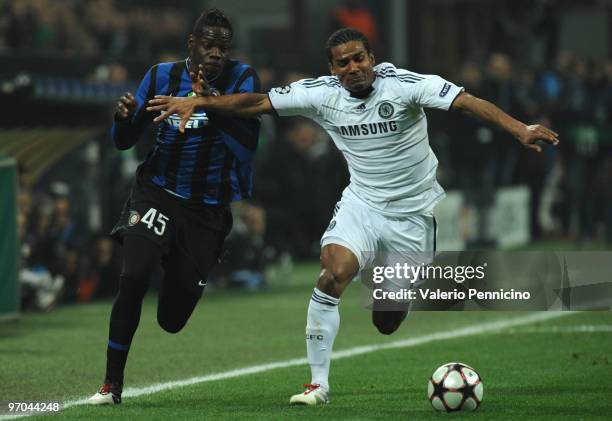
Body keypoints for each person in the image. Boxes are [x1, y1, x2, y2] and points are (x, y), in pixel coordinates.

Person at [147, 28, 559, 406]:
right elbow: (258, 102)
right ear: (332, 69)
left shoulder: (405, 86)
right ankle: (317, 385)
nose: (353, 67)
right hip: (361, 205)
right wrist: (202, 101)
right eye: (343, 62)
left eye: (359, 58)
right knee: (333, 273)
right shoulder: (321, 93)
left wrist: (519, 128)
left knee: (386, 319)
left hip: (412, 216)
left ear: (371, 58)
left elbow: (467, 102)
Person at [88, 8, 261, 405]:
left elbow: (248, 147)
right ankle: (111, 384)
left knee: (171, 320)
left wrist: (212, 104)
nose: (216, 53)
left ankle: (182, 266)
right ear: (192, 44)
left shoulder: (243, 80)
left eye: (223, 47)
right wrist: (124, 119)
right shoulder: (161, 76)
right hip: (158, 192)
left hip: (207, 210)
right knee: (132, 277)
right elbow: (123, 140)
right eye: (208, 45)